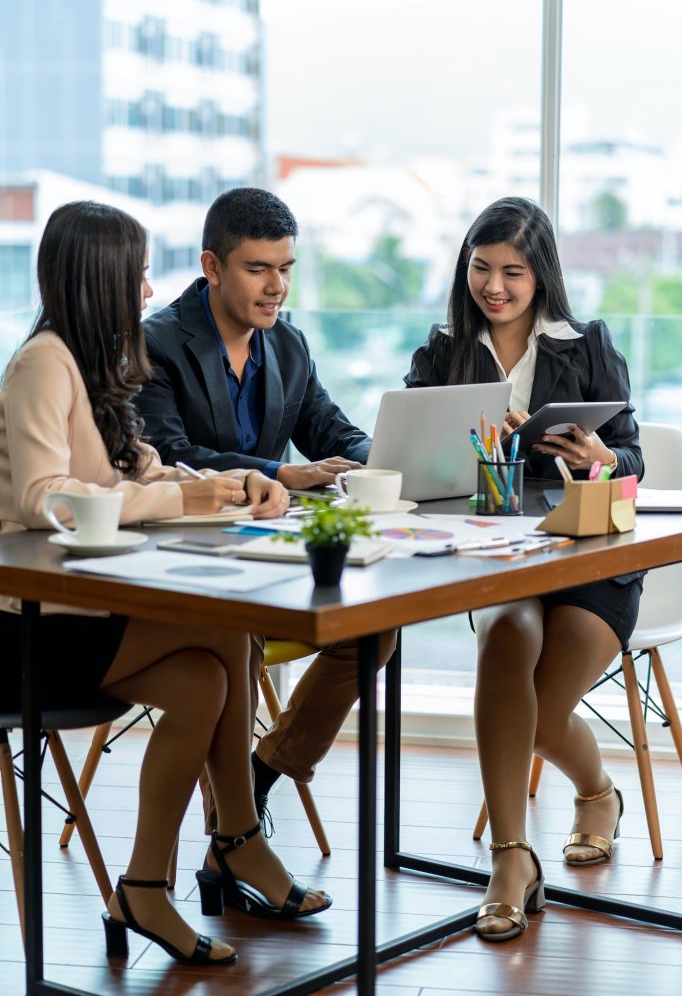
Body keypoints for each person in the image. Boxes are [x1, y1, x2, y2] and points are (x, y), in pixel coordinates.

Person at [0, 200, 331, 968]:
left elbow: (137, 466)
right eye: (139, 277)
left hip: (87, 607)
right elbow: (40, 495)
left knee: (203, 678)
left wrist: (222, 482)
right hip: (29, 626)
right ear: (100, 279)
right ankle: (236, 844)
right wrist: (181, 497)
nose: (148, 293)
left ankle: (150, 883)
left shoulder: (93, 363)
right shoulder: (42, 364)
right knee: (222, 630)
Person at [404, 197, 644, 943]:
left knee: (533, 713)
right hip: (497, 555)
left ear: (542, 277)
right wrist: (475, 451)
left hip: (585, 556)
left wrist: (597, 456)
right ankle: (511, 860)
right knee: (505, 646)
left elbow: (632, 457)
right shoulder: (442, 353)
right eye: (481, 268)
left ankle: (597, 792)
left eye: (513, 271)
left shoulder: (588, 344)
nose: (494, 286)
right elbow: (412, 462)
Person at [136, 186, 396, 836]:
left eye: (285, 269)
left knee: (375, 628)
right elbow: (171, 453)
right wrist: (281, 473)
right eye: (258, 268)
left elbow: (330, 430)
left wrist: (382, 460)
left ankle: (264, 771)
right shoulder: (157, 344)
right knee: (237, 638)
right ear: (212, 267)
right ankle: (232, 837)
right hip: (187, 560)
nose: (276, 285)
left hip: (267, 555)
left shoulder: (287, 344)